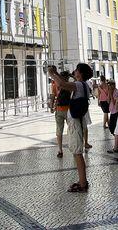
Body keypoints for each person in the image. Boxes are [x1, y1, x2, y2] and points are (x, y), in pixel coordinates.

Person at [47, 63, 94, 192]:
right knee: (77, 152)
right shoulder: (83, 85)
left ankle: (83, 184)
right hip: (77, 121)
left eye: (77, 70)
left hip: (75, 122)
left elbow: (62, 85)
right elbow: (64, 82)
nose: (75, 71)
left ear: (81, 73)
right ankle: (82, 180)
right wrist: (56, 73)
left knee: (77, 153)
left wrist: (51, 74)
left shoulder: (78, 85)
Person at [51, 70, 72, 158]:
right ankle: (73, 146)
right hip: (69, 110)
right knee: (71, 129)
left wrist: (52, 106)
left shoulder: (55, 84)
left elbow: (53, 96)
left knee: (59, 130)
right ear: (67, 77)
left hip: (59, 109)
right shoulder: (70, 85)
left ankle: (60, 150)